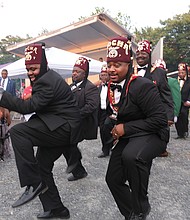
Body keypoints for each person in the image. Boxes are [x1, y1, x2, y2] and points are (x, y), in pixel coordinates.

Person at [0, 43, 82, 219]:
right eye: (28, 69)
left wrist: (2, 96)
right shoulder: (46, 77)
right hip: (57, 124)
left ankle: (32, 183)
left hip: (64, 127)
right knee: (42, 166)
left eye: (34, 68)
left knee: (18, 132)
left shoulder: (47, 81)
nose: (30, 72)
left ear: (43, 65)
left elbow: (28, 107)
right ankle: (57, 208)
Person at [104, 36, 168, 220]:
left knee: (132, 156)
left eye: (117, 65)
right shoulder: (111, 86)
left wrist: (125, 128)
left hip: (154, 133)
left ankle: (141, 206)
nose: (112, 69)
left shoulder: (142, 85)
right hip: (132, 134)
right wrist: (115, 126)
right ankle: (131, 213)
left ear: (128, 64)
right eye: (109, 65)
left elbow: (160, 120)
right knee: (112, 179)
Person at [62, 57, 99, 181]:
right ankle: (79, 171)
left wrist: (76, 115)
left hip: (82, 123)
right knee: (65, 143)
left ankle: (75, 161)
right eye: (73, 71)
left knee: (69, 143)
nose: (74, 73)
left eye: (78, 72)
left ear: (85, 74)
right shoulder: (71, 86)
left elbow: (92, 106)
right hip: (70, 122)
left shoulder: (90, 87)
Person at [135, 40, 174, 157]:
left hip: (154, 114)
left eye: (144, 53)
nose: (140, 56)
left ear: (149, 55)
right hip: (136, 114)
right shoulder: (131, 72)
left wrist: (169, 116)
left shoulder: (159, 73)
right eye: (138, 53)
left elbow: (166, 95)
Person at [97, 64, 112, 158]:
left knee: (108, 129)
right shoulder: (99, 87)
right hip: (101, 112)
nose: (103, 77)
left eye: (105, 74)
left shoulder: (113, 87)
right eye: (102, 75)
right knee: (102, 130)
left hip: (109, 112)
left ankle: (112, 147)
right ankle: (105, 150)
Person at [175, 62, 190, 139]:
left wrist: (189, 101)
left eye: (182, 72)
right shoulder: (175, 80)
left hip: (185, 101)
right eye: (179, 72)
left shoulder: (189, 81)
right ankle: (179, 133)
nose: (180, 74)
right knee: (177, 117)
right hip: (177, 102)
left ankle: (185, 131)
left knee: (184, 115)